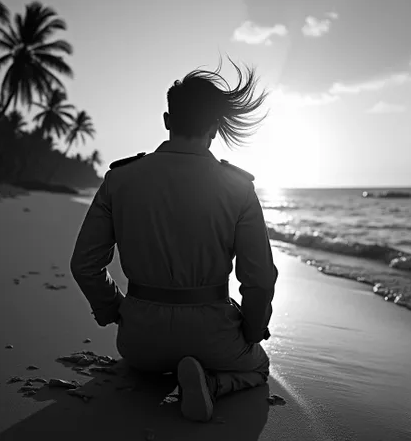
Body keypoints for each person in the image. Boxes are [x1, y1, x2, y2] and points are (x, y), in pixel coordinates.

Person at [70, 57, 279, 422]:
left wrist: (113, 310)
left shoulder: (120, 179)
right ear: (215, 126)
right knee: (258, 367)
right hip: (214, 337)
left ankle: (165, 369)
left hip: (139, 342)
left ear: (167, 121)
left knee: (146, 364)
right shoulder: (238, 188)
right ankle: (211, 385)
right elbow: (259, 278)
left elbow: (85, 264)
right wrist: (251, 330)